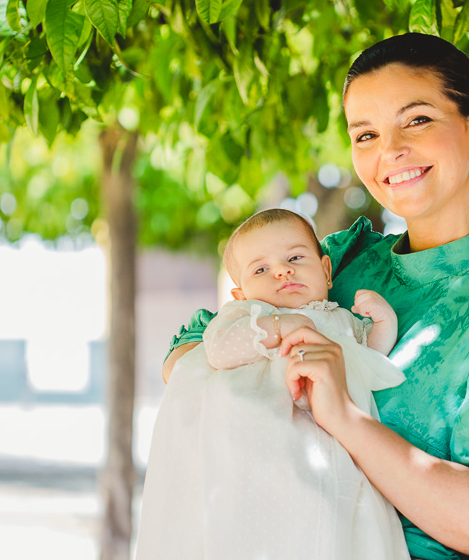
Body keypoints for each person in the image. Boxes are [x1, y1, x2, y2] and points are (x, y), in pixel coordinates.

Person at [161, 33, 469, 560]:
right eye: (365, 134)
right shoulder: (343, 260)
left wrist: (346, 417)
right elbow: (189, 346)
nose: (389, 151)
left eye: (416, 120)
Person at [138, 208, 409, 560]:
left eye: (295, 257)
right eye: (261, 269)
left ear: (326, 271)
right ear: (241, 293)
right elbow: (219, 349)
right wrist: (281, 327)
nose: (282, 270)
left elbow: (369, 359)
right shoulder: (249, 316)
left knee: (346, 527)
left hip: (336, 454)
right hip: (264, 447)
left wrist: (383, 323)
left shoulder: (341, 320)